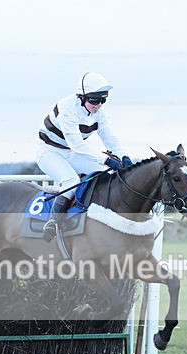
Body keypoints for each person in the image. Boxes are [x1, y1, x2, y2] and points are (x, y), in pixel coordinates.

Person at [36, 72, 133, 242]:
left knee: (107, 174)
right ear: (81, 97)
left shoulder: (99, 112)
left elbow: (109, 138)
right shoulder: (67, 107)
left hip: (73, 153)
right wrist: (106, 159)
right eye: (94, 100)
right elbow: (77, 145)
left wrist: (123, 156)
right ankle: (53, 223)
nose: (99, 105)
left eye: (103, 100)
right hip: (50, 152)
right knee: (71, 181)